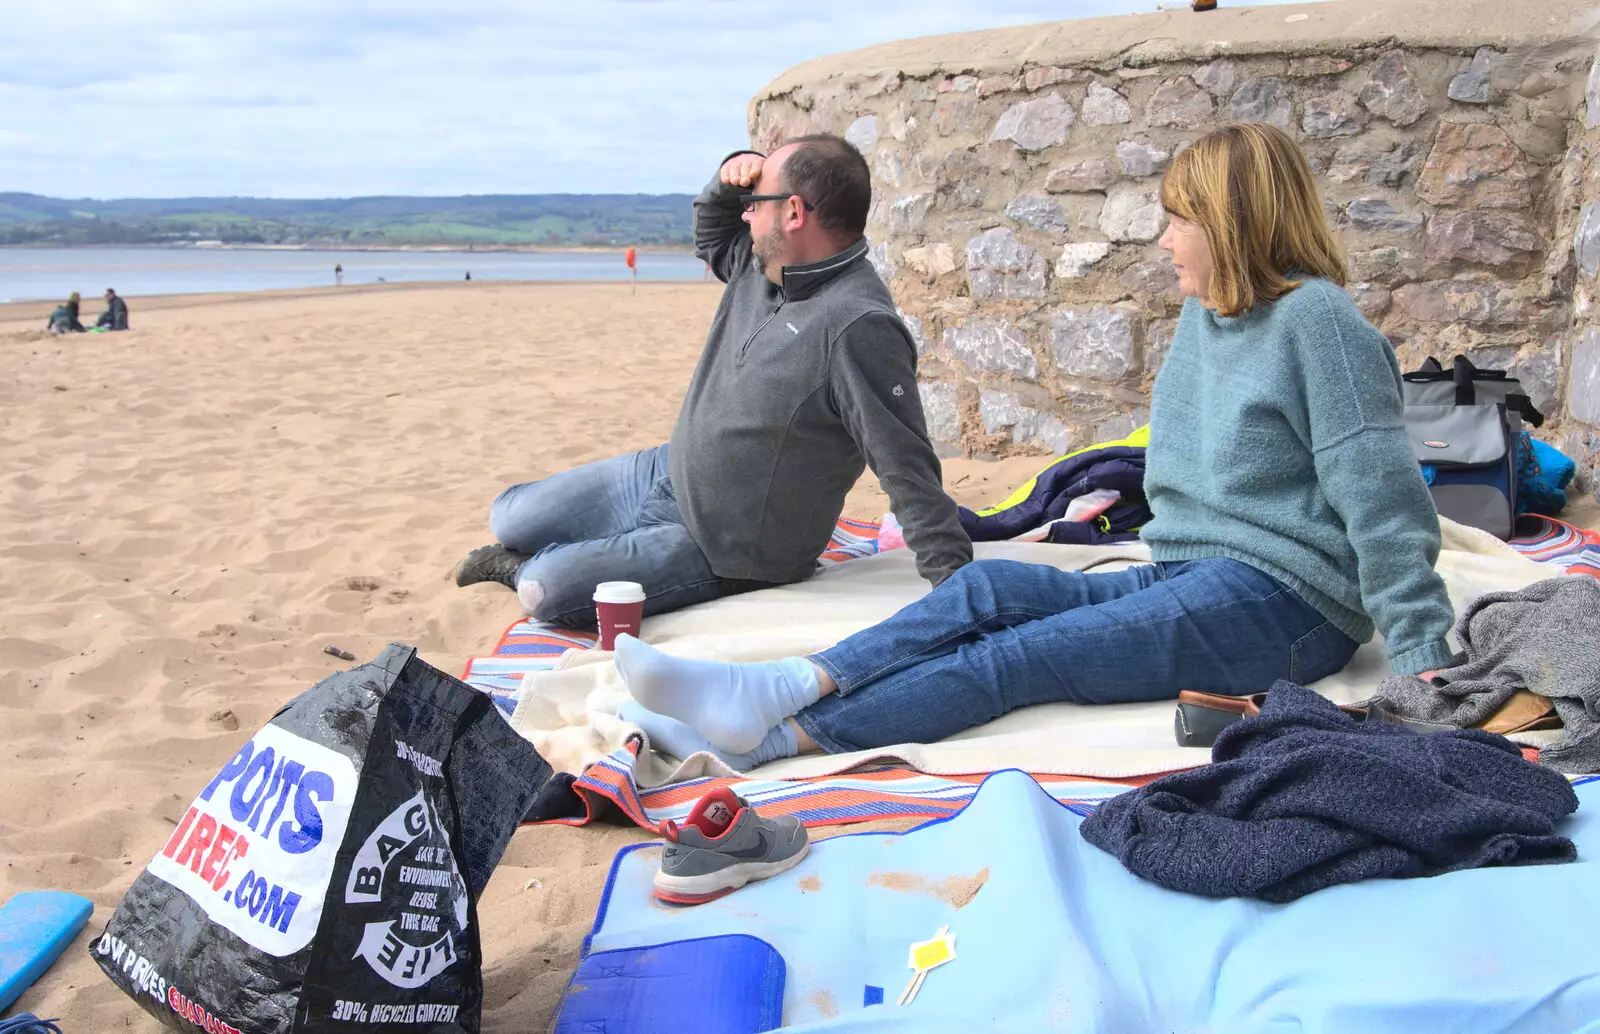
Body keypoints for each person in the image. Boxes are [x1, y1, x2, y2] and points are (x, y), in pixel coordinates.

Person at [610, 122, 1458, 770]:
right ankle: (779, 685)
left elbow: (1385, 504)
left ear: (1232, 223)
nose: (1163, 241)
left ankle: (780, 739)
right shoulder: (1213, 312)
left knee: (1020, 657)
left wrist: (1421, 667)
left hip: (1289, 610)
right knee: (987, 589)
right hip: (1193, 572)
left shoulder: (1321, 326)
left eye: (1177, 221)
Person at [454, 134, 970, 628]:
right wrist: (731, 175)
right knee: (508, 516)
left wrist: (962, 593)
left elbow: (907, 468)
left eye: (755, 200)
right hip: (665, 471)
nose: (746, 212)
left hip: (729, 546)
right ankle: (579, 547)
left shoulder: (858, 326)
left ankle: (524, 566)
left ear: (793, 212)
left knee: (543, 589)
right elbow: (709, 229)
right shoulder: (761, 264)